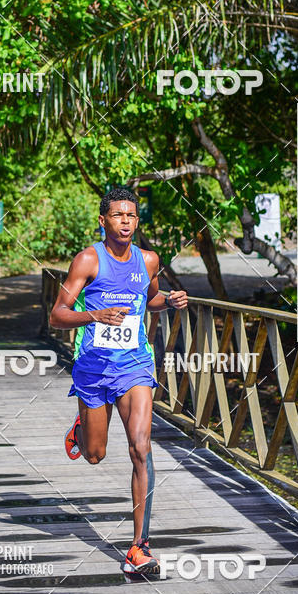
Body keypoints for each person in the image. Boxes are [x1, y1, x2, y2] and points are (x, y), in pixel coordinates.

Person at [49, 187, 188, 574]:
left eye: (131, 215)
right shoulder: (88, 261)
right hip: (93, 368)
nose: (125, 221)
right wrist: (95, 315)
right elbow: (57, 315)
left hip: (135, 366)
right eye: (117, 215)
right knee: (95, 454)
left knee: (141, 448)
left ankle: (139, 547)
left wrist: (170, 301)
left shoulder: (148, 260)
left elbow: (150, 300)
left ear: (137, 221)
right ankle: (81, 431)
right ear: (103, 220)